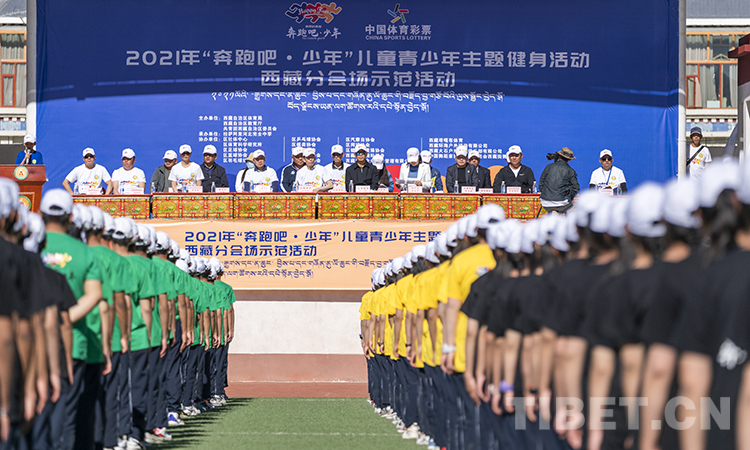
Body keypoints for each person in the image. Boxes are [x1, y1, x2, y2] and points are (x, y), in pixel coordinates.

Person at [538, 147, 579, 213]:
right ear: (569, 159)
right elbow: (576, 188)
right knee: (566, 205)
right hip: (562, 202)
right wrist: (568, 197)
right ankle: (556, 215)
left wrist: (546, 194)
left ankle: (554, 214)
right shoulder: (570, 171)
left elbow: (541, 184)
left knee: (554, 208)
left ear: (559, 156)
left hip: (545, 202)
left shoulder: (548, 167)